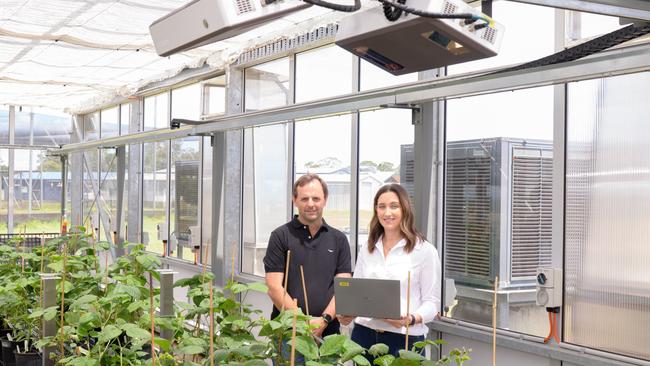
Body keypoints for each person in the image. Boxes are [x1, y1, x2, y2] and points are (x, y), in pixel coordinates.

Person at [339, 184, 441, 362]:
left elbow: (432, 303)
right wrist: (348, 313)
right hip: (364, 336)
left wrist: (411, 319)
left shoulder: (424, 251)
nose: (387, 213)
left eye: (394, 206)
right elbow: (359, 293)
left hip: (404, 340)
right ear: (376, 210)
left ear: (405, 209)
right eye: (381, 206)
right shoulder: (368, 248)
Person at [264, 174, 352, 345]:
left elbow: (343, 286)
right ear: (294, 200)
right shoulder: (280, 236)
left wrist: (325, 319)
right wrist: (303, 322)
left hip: (329, 334)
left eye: (316, 198)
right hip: (288, 333)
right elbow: (274, 287)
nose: (311, 204)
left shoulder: (338, 239)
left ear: (325, 200)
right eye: (304, 198)